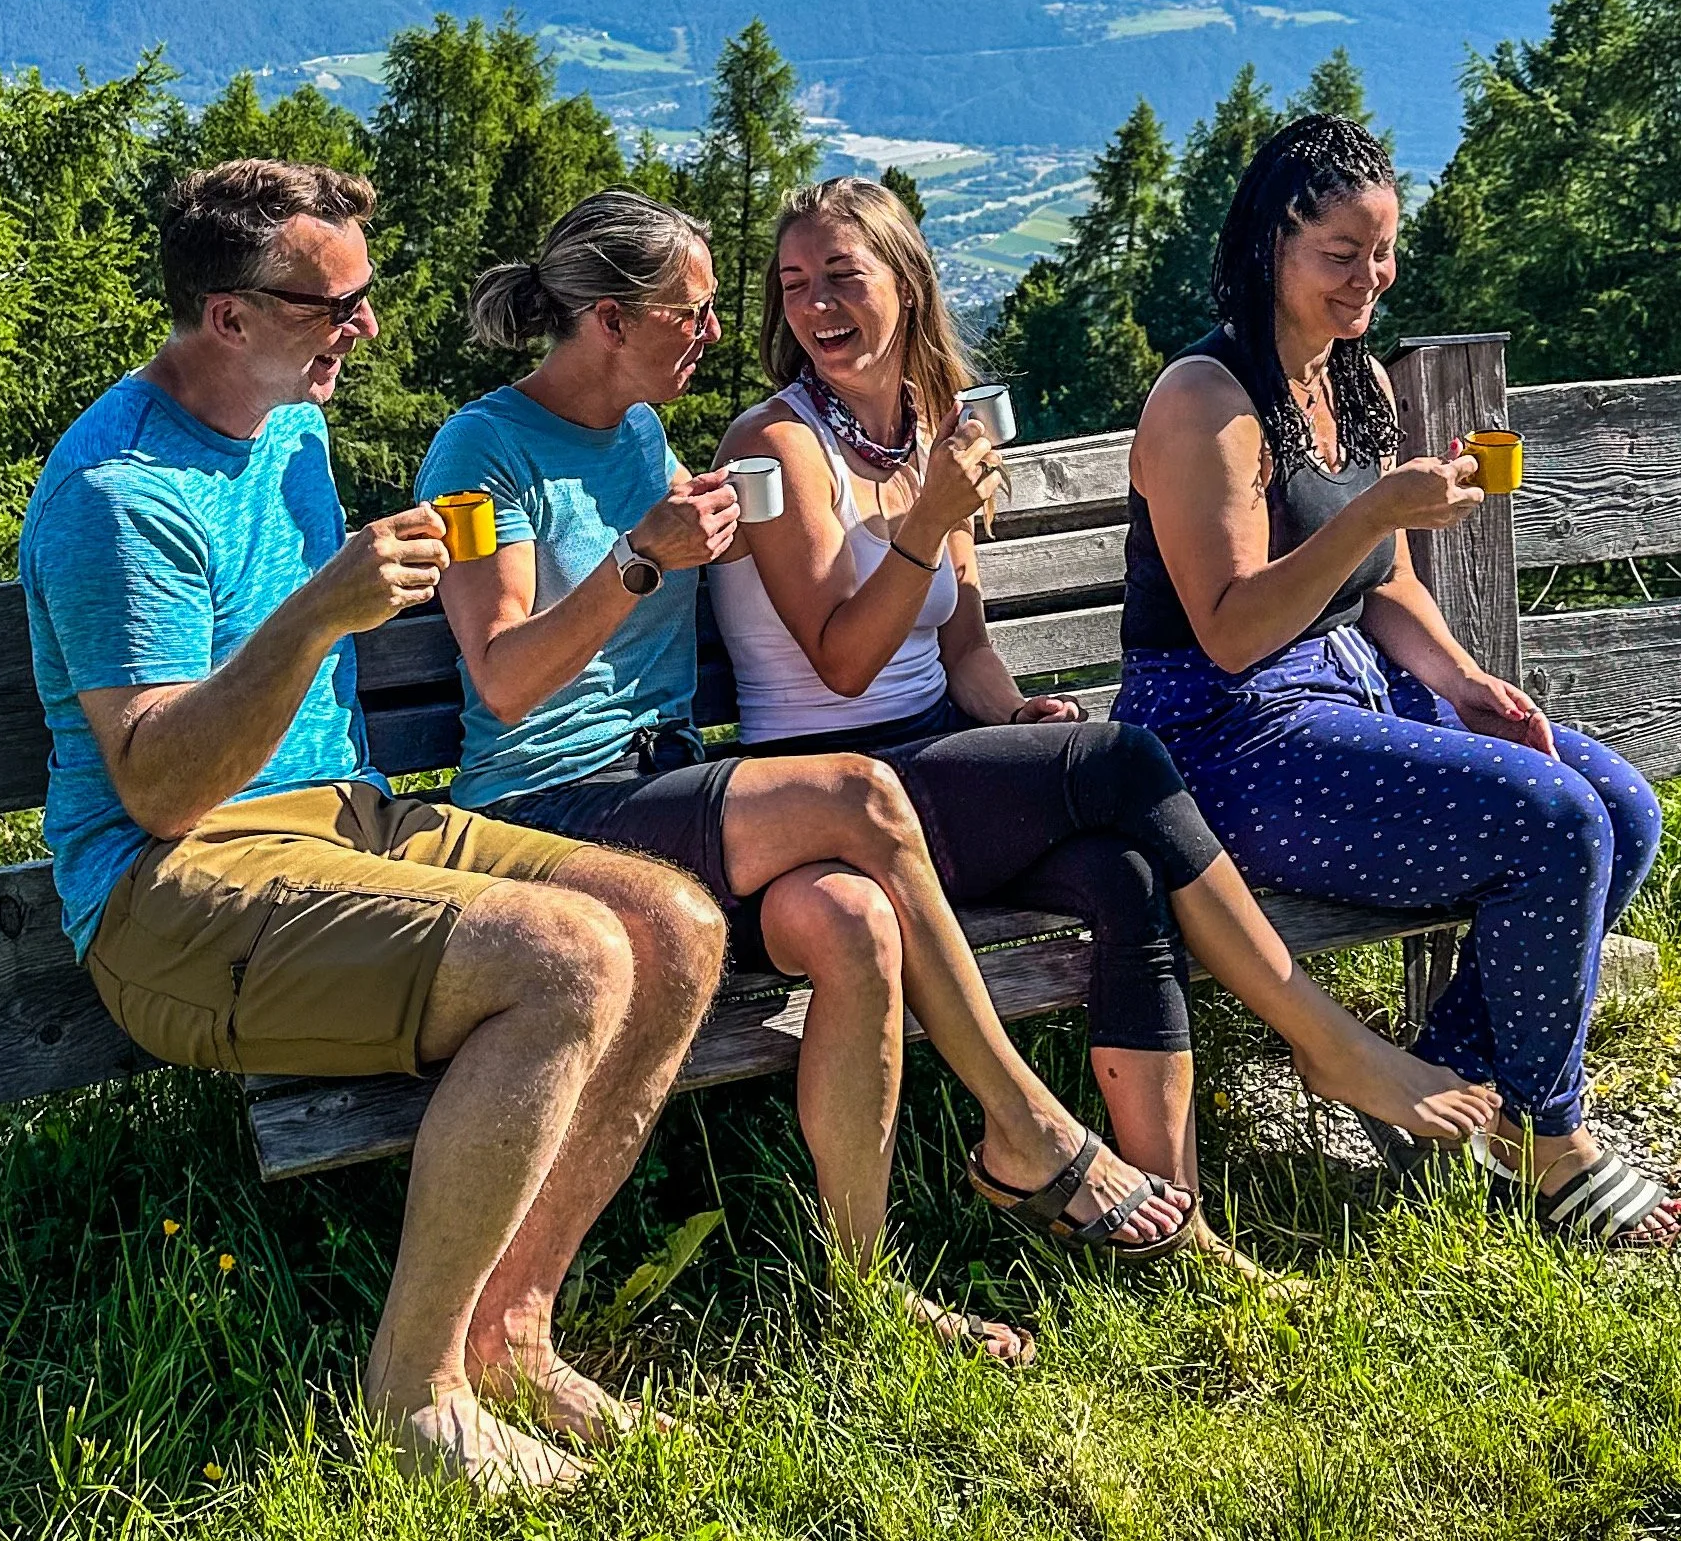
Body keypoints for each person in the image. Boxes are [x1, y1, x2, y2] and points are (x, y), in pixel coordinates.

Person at [19, 159, 731, 1498]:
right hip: (173, 886)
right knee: (567, 957)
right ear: (226, 314)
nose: (367, 329)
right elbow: (160, 788)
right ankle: (415, 1395)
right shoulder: (120, 497)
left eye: (367, 291)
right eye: (331, 302)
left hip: (347, 823)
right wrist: (320, 613)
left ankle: (512, 1329)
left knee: (674, 927)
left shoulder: (287, 415)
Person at [418, 188, 1199, 1364]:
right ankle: (1027, 1127)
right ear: (612, 320)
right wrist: (640, 558)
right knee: (860, 797)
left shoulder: (639, 435)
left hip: (668, 784)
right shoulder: (480, 447)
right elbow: (505, 678)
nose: (718, 333)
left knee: (851, 919)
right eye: (691, 310)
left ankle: (860, 1286)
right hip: (546, 809)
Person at [708, 177, 1499, 1266]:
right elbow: (840, 665)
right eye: (795, 285)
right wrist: (924, 526)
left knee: (1120, 877)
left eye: (843, 276)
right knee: (1125, 762)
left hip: (932, 754)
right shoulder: (777, 443)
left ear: (906, 282)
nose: (817, 306)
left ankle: (1172, 1219)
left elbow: (963, 647)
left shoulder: (934, 430)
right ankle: (1326, 1043)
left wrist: (1013, 711)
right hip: (823, 784)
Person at [1114, 113, 1679, 1247]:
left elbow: (1385, 588)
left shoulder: (1353, 379)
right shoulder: (1204, 401)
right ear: (1269, 245)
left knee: (1619, 801)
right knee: (1557, 820)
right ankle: (1547, 1131)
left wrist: (1466, 684)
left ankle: (1446, 1076)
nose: (1368, 278)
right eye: (1340, 254)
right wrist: (1375, 506)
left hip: (1349, 691)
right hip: (1222, 737)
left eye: (1381, 252)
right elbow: (1229, 632)